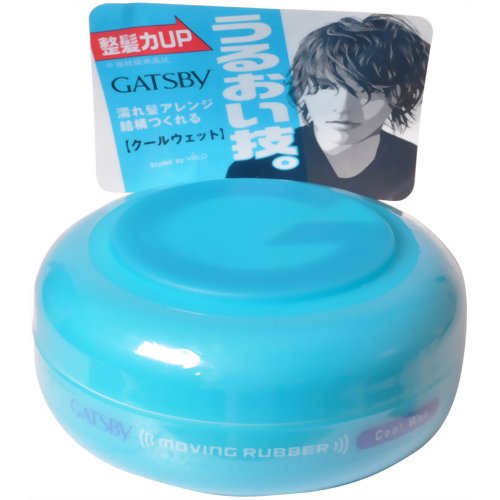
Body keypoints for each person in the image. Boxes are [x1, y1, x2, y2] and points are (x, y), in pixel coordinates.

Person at [226, 14, 430, 200]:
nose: (342, 107)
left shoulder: (419, 167)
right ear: (302, 90)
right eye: (325, 87)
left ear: (398, 94)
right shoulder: (253, 171)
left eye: (367, 90)